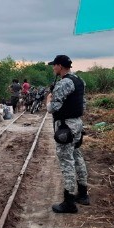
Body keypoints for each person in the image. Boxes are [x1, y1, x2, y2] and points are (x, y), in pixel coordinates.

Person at [48, 54, 89, 213]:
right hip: (77, 123)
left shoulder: (64, 83)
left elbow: (53, 108)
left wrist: (48, 100)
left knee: (66, 161)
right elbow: (82, 103)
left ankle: (69, 201)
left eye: (54, 65)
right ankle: (83, 194)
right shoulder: (80, 80)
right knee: (77, 155)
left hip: (66, 126)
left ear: (60, 66)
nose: (53, 68)